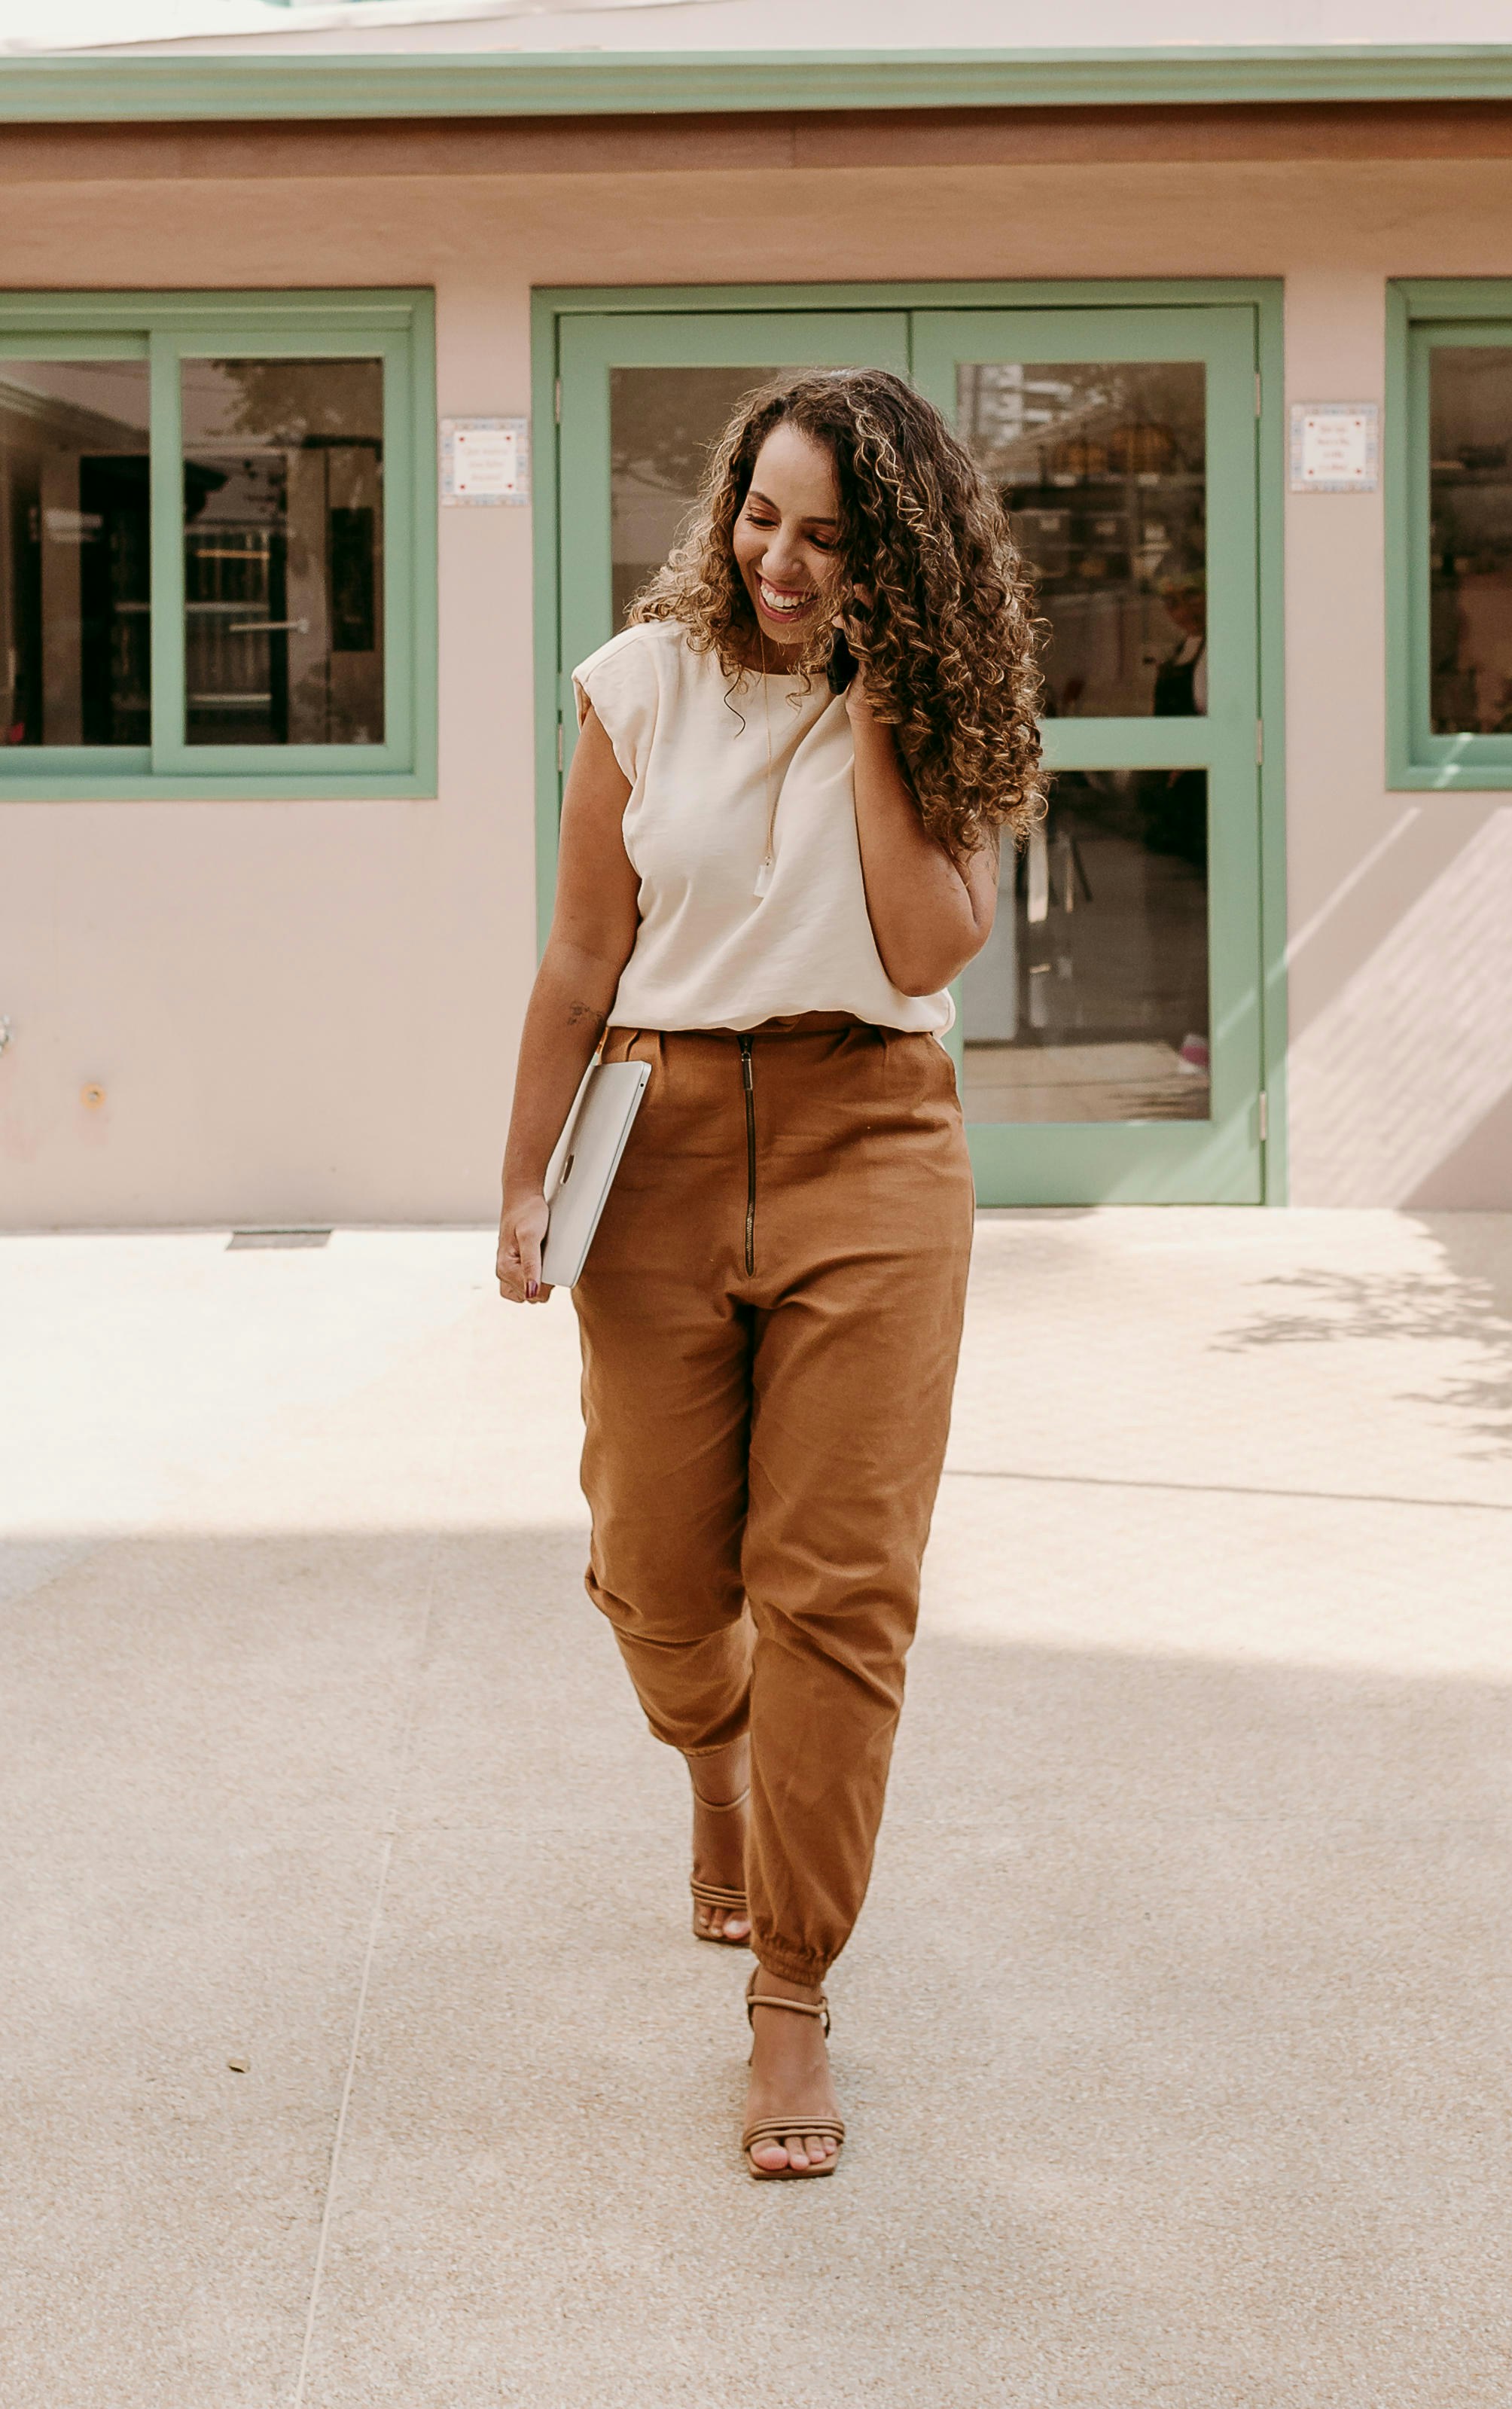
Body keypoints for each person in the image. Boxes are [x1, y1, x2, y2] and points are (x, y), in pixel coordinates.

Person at [496, 369, 1044, 2179]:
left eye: (827, 536)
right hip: (649, 1137)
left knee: (838, 1585)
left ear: (893, 560)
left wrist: (881, 698)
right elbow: (584, 952)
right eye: (759, 515)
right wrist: (519, 1181)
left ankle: (791, 1993)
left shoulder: (945, 711)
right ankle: (712, 1764)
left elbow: (914, 935)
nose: (779, 561)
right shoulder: (635, 686)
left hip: (872, 1140)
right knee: (659, 1568)